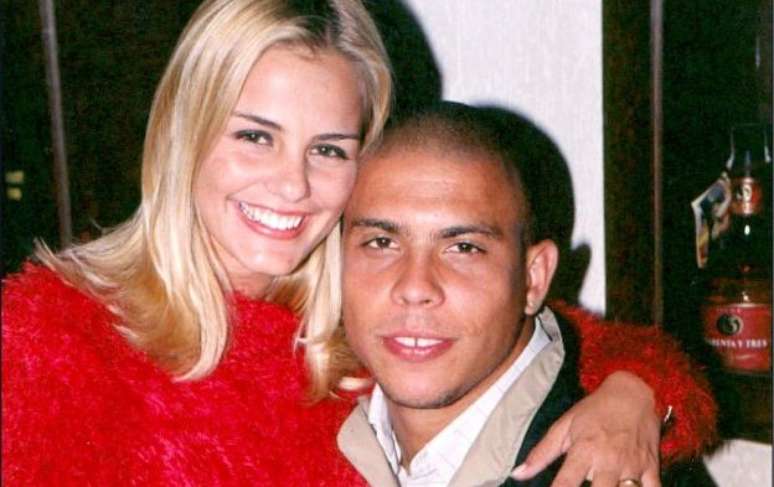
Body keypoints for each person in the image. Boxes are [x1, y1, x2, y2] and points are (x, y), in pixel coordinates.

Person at [2, 0, 715, 485]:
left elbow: (559, 341)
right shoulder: (51, 340)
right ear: (183, 134)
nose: (292, 184)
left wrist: (635, 393)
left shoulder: (358, 330)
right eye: (255, 136)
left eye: (329, 149)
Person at [336, 102, 716, 486]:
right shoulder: (316, 422)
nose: (415, 288)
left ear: (534, 279)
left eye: (464, 248)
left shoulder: (618, 469)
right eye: (381, 242)